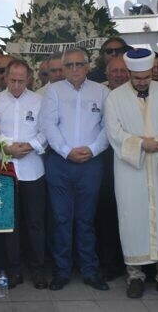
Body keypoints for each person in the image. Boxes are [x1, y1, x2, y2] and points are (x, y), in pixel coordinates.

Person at [105, 48, 158, 299]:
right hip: (131, 168)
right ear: (129, 73)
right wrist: (142, 144)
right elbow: (114, 132)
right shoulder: (115, 97)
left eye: (146, 77)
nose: (142, 82)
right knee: (132, 218)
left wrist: (157, 141)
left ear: (152, 71)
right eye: (137, 78)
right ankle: (135, 276)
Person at [40, 48, 110, 291]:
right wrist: (66, 151)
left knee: (86, 220)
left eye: (78, 64)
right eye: (68, 65)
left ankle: (89, 270)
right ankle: (62, 270)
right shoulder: (53, 91)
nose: (74, 69)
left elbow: (108, 126)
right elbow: (48, 125)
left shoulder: (102, 91)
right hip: (60, 163)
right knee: (61, 219)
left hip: (91, 163)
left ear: (87, 66)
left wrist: (92, 149)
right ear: (63, 68)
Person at [0, 59, 48, 290]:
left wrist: (31, 145)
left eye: (21, 81)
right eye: (13, 80)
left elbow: (46, 130)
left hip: (33, 169)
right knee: (11, 224)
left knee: (36, 223)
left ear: (29, 79)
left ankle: (38, 270)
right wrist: (5, 149)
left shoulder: (39, 101)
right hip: (5, 168)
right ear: (5, 78)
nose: (16, 85)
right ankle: (14, 270)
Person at [95, 55, 128, 281]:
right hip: (104, 160)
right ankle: (109, 263)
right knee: (106, 213)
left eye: (123, 71)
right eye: (114, 71)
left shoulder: (140, 94)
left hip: (132, 160)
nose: (119, 75)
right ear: (106, 73)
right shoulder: (99, 93)